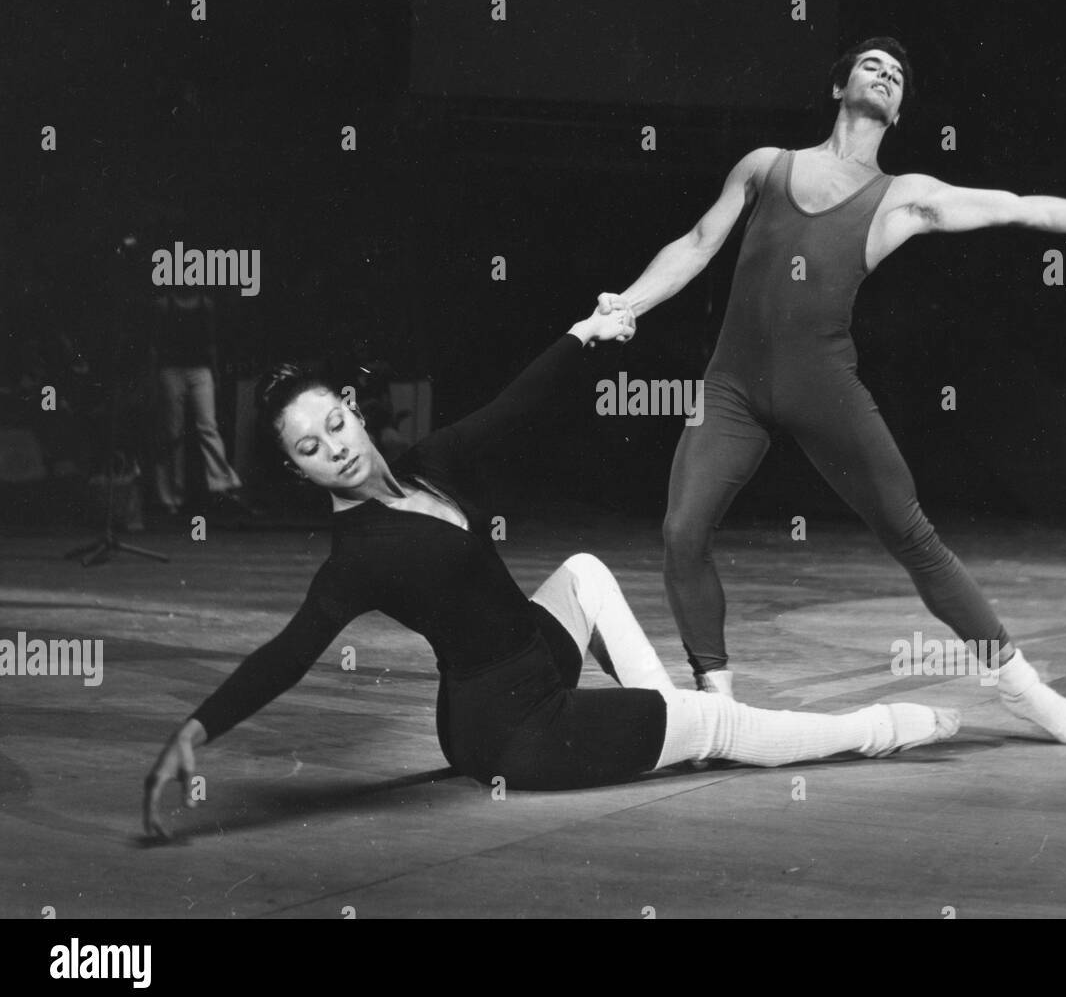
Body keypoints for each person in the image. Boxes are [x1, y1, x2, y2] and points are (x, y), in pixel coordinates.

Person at [143, 303, 960, 838]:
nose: (338, 446)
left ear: (354, 408)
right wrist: (196, 727)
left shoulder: (425, 463)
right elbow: (288, 653)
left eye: (335, 421)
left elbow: (513, 407)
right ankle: (880, 728)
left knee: (581, 569)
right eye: (310, 447)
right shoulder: (356, 558)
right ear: (299, 470)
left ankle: (676, 719)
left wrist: (582, 335)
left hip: (531, 653)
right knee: (719, 725)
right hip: (512, 729)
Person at [597, 37, 1066, 746]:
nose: (884, 73)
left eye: (897, 74)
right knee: (681, 531)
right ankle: (716, 699)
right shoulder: (765, 166)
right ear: (839, 87)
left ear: (900, 108)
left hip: (821, 384)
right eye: (871, 64)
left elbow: (1017, 207)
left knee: (911, 533)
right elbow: (698, 241)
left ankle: (1021, 687)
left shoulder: (903, 196)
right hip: (731, 385)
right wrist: (628, 302)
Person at [148, 288, 247, 515]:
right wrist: (153, 378)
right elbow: (154, 345)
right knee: (172, 432)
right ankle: (171, 495)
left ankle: (221, 484)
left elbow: (211, 343)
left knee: (208, 426)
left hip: (200, 370)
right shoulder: (164, 304)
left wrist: (215, 373)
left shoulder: (206, 304)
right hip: (171, 370)